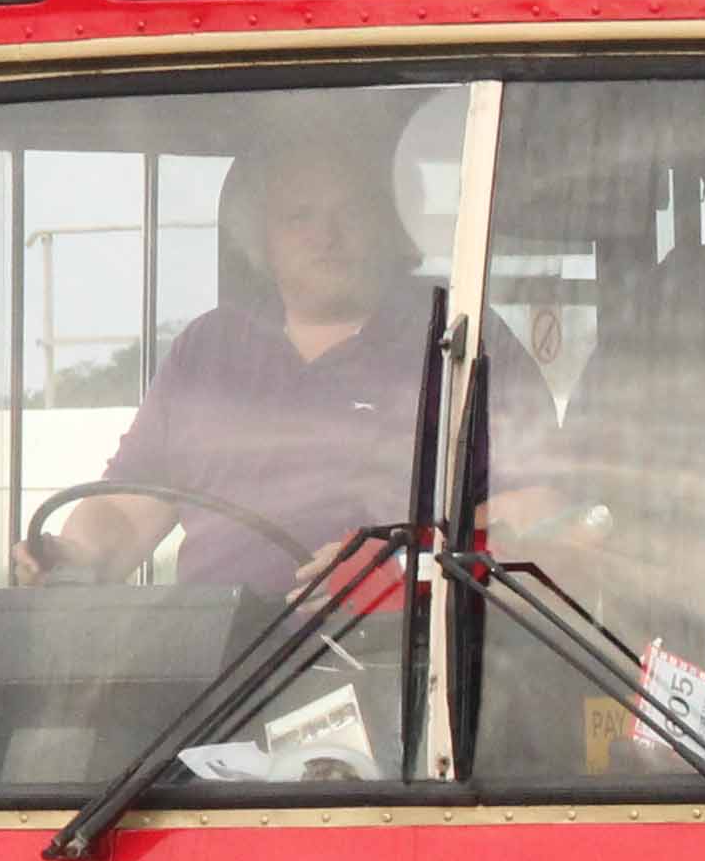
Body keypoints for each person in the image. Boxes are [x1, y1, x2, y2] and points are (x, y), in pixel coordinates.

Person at [29, 120, 547, 593]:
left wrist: (402, 562)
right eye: (300, 217)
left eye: (351, 211)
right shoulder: (209, 350)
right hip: (223, 679)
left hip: (406, 667)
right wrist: (71, 557)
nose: (326, 236)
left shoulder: (462, 336)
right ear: (263, 238)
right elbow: (126, 508)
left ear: (392, 223)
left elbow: (547, 511)